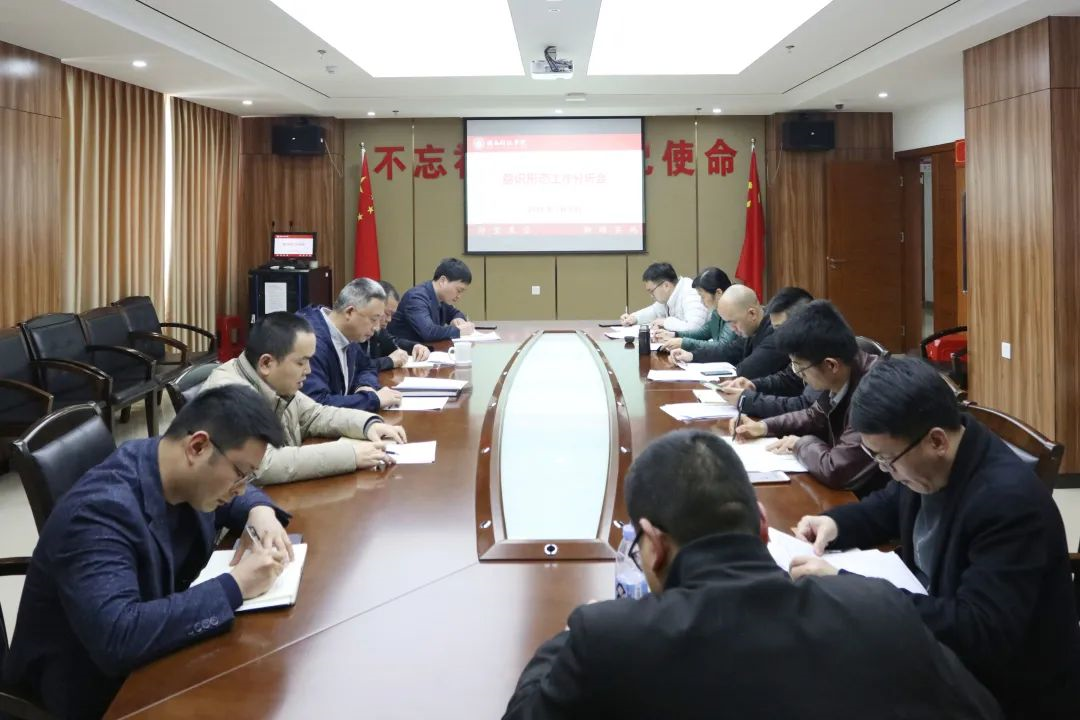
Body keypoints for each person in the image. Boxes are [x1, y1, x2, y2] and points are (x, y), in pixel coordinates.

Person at [503, 429, 1002, 720]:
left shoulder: (608, 639)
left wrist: (568, 637)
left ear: (653, 545)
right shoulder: (878, 608)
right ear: (762, 525)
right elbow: (981, 710)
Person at [790, 357, 1080, 718]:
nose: (886, 471)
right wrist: (835, 524)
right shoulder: (933, 457)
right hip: (938, 641)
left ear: (937, 441)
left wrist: (853, 590)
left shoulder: (1007, 504)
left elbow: (980, 632)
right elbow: (890, 504)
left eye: (887, 459)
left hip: (999, 689)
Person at [2, 386, 295, 719]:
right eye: (241, 475)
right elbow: (119, 638)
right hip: (88, 690)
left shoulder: (167, 463)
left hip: (153, 656)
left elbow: (234, 499)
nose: (241, 488)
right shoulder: (98, 513)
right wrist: (236, 586)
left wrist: (259, 511)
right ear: (197, 447)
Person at [202, 312, 406, 484]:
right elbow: (263, 465)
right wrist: (351, 455)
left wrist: (367, 425)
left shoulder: (274, 382)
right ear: (266, 363)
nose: (308, 370)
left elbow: (315, 414)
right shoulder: (228, 394)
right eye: (301, 362)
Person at [733, 300, 888, 496]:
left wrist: (801, 444)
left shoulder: (875, 393)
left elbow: (836, 469)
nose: (798, 374)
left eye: (800, 367)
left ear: (831, 365)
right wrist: (763, 426)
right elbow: (813, 415)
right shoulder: (842, 372)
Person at [296, 278, 401, 411]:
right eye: (374, 319)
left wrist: (364, 386)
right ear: (349, 312)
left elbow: (366, 367)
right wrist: (373, 400)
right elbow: (317, 404)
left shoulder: (348, 333)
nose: (376, 328)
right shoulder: (310, 341)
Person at [717, 286, 819, 417]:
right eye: (775, 329)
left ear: (802, 322)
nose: (777, 336)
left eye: (780, 328)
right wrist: (753, 385)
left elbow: (805, 407)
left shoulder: (821, 352)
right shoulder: (801, 348)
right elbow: (789, 379)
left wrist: (746, 400)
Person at [670, 284, 787, 378]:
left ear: (752, 313)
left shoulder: (776, 331)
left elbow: (747, 370)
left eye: (733, 322)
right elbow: (728, 351)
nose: (732, 328)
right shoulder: (753, 328)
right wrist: (692, 355)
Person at [387, 258, 475, 342]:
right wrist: (458, 331)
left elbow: (456, 313)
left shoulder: (440, 297)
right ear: (443, 281)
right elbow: (428, 332)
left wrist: (458, 319)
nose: (459, 296)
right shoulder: (416, 298)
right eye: (459, 290)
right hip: (405, 350)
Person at [656, 267, 738, 354]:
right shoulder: (717, 310)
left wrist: (684, 343)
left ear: (718, 293)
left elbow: (723, 347)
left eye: (703, 297)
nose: (701, 302)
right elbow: (703, 332)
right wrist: (675, 334)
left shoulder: (735, 309)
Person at [619, 262, 708, 332]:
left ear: (666, 286)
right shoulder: (670, 295)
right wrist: (634, 318)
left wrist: (665, 322)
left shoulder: (691, 293)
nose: (651, 296)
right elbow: (654, 311)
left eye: (651, 291)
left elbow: (694, 328)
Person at [364, 280, 431, 371]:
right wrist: (389, 361)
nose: (389, 320)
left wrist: (415, 346)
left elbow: (393, 342)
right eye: (387, 313)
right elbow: (360, 367)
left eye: (392, 315)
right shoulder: (357, 333)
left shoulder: (379, 330)